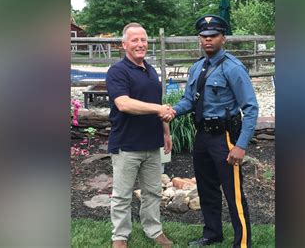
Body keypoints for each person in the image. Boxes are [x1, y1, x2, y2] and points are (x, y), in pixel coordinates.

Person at [168, 15, 259, 248]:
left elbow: (251, 108)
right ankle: (212, 234)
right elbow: (189, 100)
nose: (208, 40)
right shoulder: (197, 67)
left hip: (225, 138)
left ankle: (242, 242)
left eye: (213, 36)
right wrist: (173, 111)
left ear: (223, 38)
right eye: (204, 36)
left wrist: (240, 146)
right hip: (203, 137)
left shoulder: (233, 67)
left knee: (233, 193)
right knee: (207, 189)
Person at [106, 22, 175, 248]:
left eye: (143, 40)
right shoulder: (117, 71)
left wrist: (165, 132)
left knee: (152, 192)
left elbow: (157, 104)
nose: (140, 44)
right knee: (122, 196)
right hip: (126, 145)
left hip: (152, 143)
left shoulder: (150, 69)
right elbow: (123, 104)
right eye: (134, 40)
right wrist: (158, 110)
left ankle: (154, 230)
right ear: (124, 44)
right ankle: (120, 237)